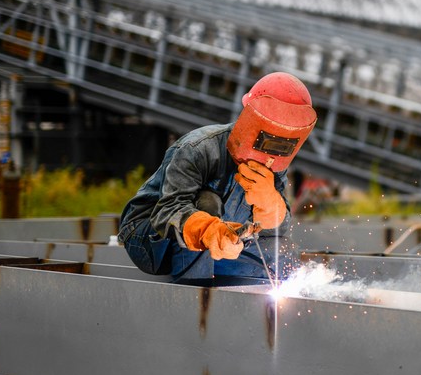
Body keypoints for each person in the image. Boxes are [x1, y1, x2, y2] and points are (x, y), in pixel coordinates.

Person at [118, 72, 317, 282]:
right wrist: (208, 230)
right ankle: (197, 294)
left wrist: (272, 206)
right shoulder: (198, 148)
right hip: (149, 238)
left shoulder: (275, 163)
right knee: (207, 203)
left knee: (281, 249)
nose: (270, 155)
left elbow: (279, 230)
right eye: (269, 139)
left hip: (223, 244)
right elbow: (168, 210)